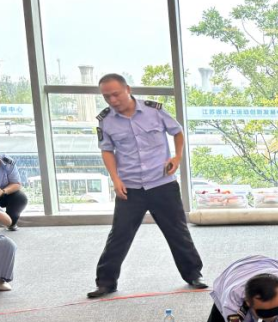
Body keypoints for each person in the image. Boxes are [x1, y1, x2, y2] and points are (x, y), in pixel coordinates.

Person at [88, 73, 206, 298]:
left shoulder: (154, 111)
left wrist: (177, 157)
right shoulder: (106, 120)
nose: (112, 100)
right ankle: (106, 283)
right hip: (130, 186)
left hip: (162, 183)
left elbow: (177, 131)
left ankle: (193, 275)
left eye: (116, 94)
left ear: (128, 89)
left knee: (177, 231)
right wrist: (115, 179)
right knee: (119, 235)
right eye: (106, 97)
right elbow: (107, 150)